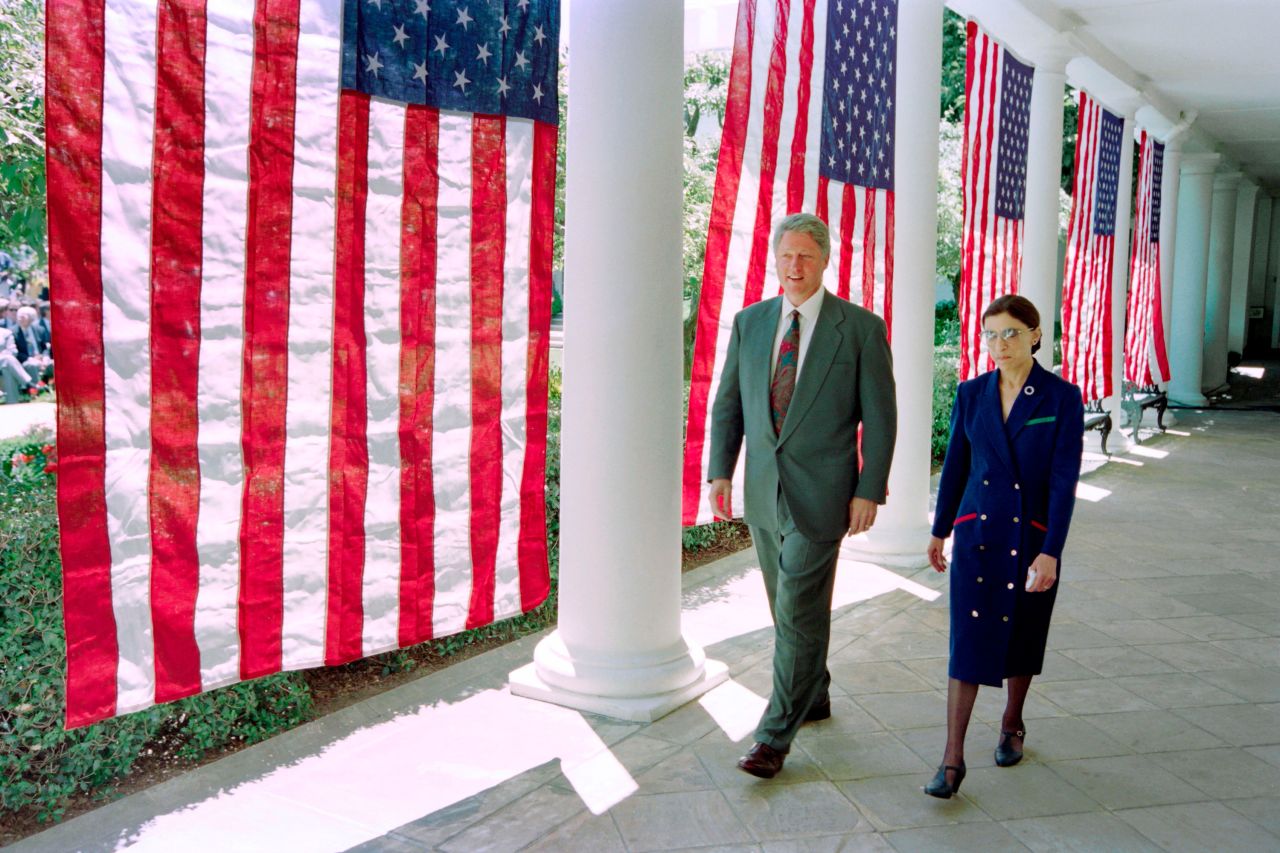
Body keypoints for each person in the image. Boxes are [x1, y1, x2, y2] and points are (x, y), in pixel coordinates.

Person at [707, 212, 897, 778]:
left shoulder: (859, 328)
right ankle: (813, 694)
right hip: (765, 491)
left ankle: (773, 735)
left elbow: (881, 421)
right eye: (787, 256)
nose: (795, 267)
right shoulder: (750, 322)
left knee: (795, 608)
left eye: (806, 257)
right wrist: (721, 471)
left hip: (825, 495)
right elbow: (729, 403)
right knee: (788, 608)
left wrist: (869, 489)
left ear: (825, 260)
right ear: (775, 258)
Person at [923, 294, 1084, 798]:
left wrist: (1051, 550)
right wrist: (940, 527)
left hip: (1031, 538)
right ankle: (952, 758)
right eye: (991, 334)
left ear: (1036, 335)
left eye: (1011, 332)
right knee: (966, 642)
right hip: (978, 534)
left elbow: (1063, 481)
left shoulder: (1060, 397)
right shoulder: (972, 393)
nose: (999, 344)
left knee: (1022, 634)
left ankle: (1012, 722)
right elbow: (956, 467)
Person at [14, 305, 52, 385]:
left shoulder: (39, 329)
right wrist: (31, 359)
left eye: (23, 317)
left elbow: (44, 347)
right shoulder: (14, 332)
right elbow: (16, 353)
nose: (20, 319)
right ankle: (35, 389)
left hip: (41, 358)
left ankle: (51, 385)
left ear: (31, 318)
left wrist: (45, 357)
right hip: (26, 360)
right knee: (32, 365)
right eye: (19, 317)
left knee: (52, 364)